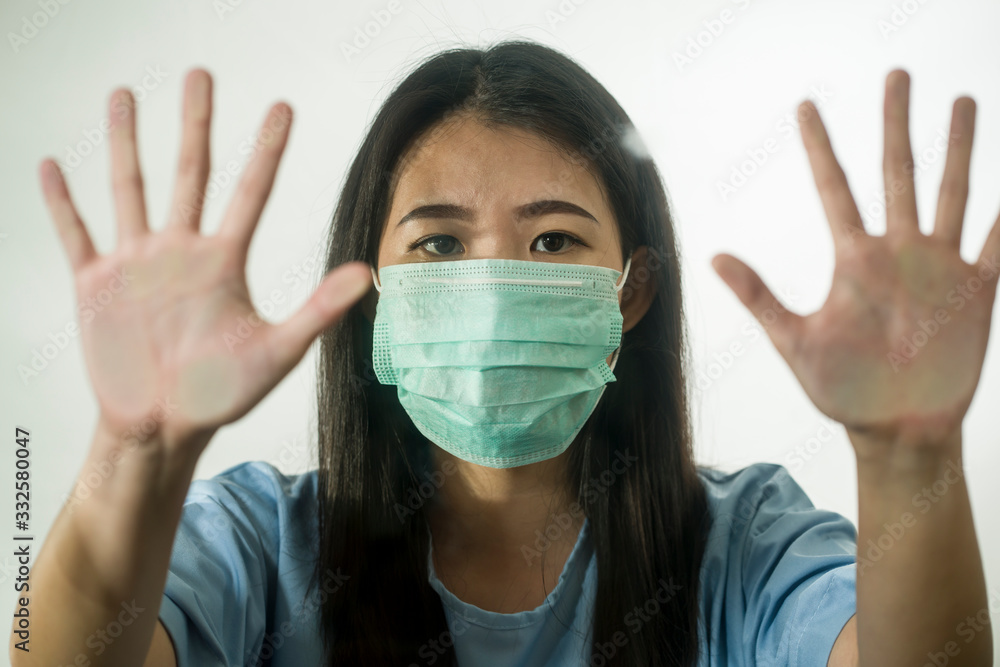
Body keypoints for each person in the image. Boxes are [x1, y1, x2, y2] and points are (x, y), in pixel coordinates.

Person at [14, 40, 995, 667]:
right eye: (438, 244)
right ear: (368, 290)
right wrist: (132, 451)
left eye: (553, 241)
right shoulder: (263, 544)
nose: (489, 288)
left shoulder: (740, 545)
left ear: (633, 289)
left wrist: (908, 456)